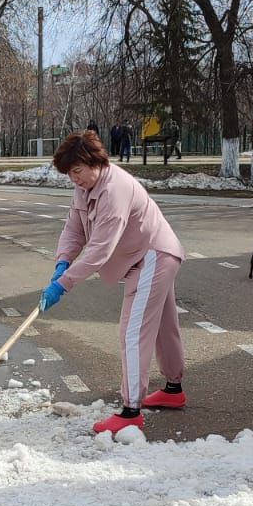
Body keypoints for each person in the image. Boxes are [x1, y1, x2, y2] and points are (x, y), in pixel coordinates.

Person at [37, 129, 186, 435]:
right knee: (161, 326)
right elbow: (74, 228)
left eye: (77, 171)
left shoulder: (115, 188)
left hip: (152, 256)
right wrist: (62, 261)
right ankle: (173, 390)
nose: (74, 179)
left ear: (95, 162)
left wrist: (63, 284)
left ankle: (131, 410)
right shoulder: (84, 188)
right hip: (147, 256)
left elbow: (100, 250)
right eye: (70, 174)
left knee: (132, 332)